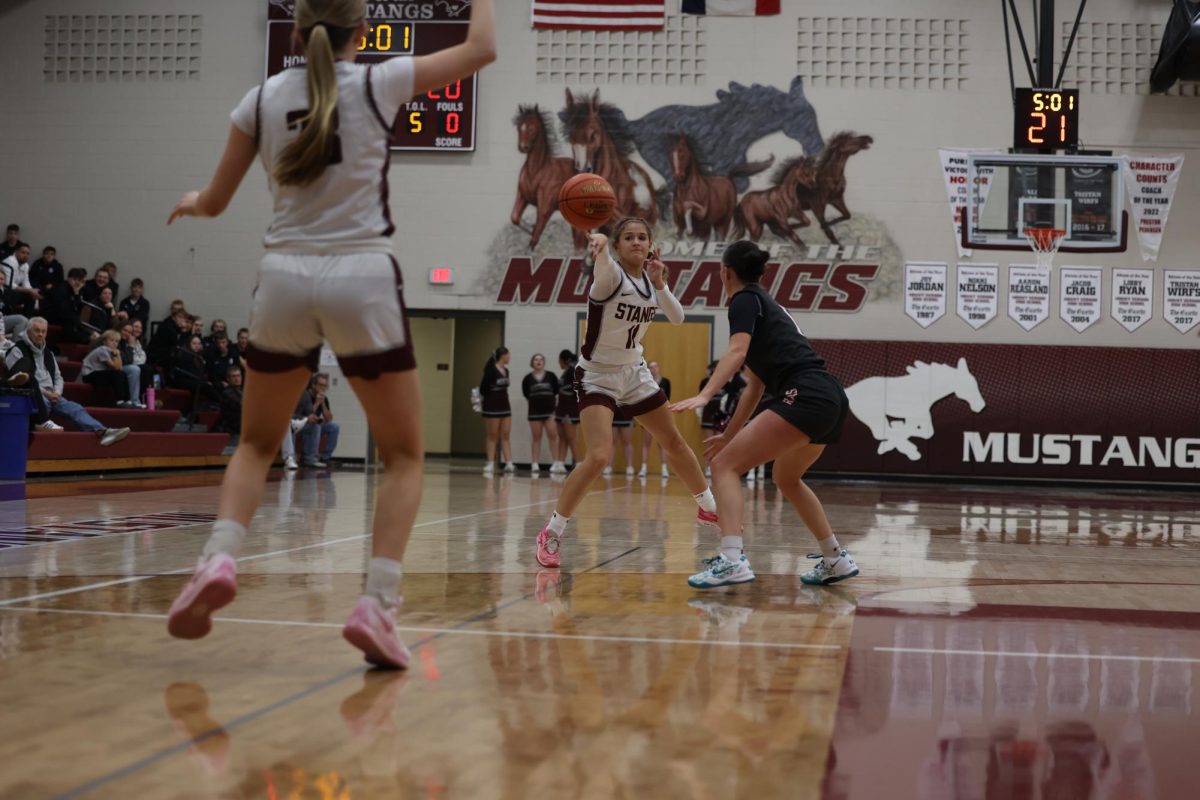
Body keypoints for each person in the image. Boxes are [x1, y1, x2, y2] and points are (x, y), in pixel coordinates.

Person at [163, 0, 496, 669]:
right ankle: (376, 602)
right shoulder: (379, 82)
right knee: (404, 455)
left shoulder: (259, 99)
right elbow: (481, 48)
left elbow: (216, 200)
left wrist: (192, 202)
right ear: (362, 32)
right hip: (362, 276)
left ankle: (217, 558)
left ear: (296, 29)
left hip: (283, 276)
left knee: (256, 443)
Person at [533, 219, 720, 569]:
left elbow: (678, 317)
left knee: (675, 443)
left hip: (634, 372)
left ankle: (709, 508)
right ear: (619, 246)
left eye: (642, 237)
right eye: (628, 238)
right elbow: (602, 265)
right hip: (597, 376)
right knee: (600, 457)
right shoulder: (610, 276)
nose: (636, 242)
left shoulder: (650, 282)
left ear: (651, 244)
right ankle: (553, 532)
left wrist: (662, 283)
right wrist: (601, 245)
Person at [671, 241, 858, 589]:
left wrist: (706, 393)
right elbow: (754, 387)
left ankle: (731, 560)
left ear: (724, 272)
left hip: (805, 393)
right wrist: (729, 435)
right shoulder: (769, 307)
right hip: (829, 397)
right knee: (786, 478)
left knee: (724, 466)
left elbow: (737, 351)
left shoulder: (743, 300)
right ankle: (835, 557)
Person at [3, 317, 131, 444]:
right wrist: (47, 394)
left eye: (44, 331)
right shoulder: (18, 349)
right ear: (29, 331)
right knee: (44, 405)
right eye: (37, 330)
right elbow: (20, 378)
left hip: (53, 394)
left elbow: (58, 377)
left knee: (75, 408)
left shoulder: (48, 353)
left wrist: (57, 393)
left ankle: (103, 432)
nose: (41, 334)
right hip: (33, 394)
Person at [522, 353, 562, 475]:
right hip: (534, 412)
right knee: (536, 437)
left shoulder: (551, 376)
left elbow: (556, 391)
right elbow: (526, 394)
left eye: (541, 359)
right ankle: (534, 464)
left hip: (550, 411)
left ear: (544, 362)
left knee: (553, 436)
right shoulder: (527, 378)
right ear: (532, 362)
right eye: (536, 359)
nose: (538, 361)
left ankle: (556, 462)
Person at [480, 346, 514, 475]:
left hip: (505, 406)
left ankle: (509, 463)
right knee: (492, 436)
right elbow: (483, 389)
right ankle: (490, 463)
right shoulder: (490, 371)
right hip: (492, 407)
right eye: (509, 355)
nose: (510, 357)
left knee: (505, 434)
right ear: (503, 355)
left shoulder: (507, 371)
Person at [296, 372, 339, 467]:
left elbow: (329, 419)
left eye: (325, 386)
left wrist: (322, 403)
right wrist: (317, 403)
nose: (323, 388)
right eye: (320, 385)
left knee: (334, 427)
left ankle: (325, 457)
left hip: (315, 424)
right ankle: (309, 458)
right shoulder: (305, 395)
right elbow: (306, 416)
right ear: (313, 385)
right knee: (316, 425)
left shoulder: (324, 398)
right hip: (302, 425)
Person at [80, 329, 132, 407]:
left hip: (100, 373)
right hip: (89, 375)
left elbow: (120, 368)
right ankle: (120, 401)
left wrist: (117, 355)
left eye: (117, 341)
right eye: (111, 340)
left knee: (123, 374)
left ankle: (128, 401)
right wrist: (116, 355)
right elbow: (115, 367)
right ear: (104, 341)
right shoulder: (102, 350)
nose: (114, 343)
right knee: (117, 374)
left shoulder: (113, 351)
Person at [639, 360, 672, 478]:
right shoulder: (645, 382)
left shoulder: (666, 382)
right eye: (651, 367)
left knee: (662, 443)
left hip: (662, 416)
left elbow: (668, 399)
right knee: (646, 443)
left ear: (658, 368)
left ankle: (664, 469)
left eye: (655, 366)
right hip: (648, 415)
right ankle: (643, 468)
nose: (653, 369)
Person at [551, 349, 580, 474]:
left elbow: (576, 390)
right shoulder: (565, 372)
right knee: (562, 437)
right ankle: (560, 463)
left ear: (563, 360)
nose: (559, 363)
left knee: (571, 437)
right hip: (561, 408)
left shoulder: (573, 371)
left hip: (570, 409)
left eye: (559, 361)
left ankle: (579, 463)